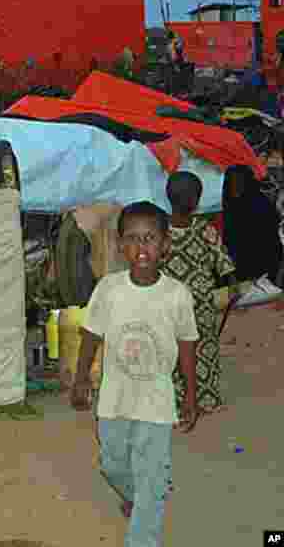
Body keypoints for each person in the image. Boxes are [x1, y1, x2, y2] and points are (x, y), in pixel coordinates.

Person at [72, 201, 199, 547]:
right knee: (113, 465)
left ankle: (144, 523)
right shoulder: (109, 290)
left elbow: (188, 345)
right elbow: (91, 335)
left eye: (150, 238)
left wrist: (190, 396)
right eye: (132, 239)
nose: (141, 247)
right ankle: (139, 497)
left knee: (153, 479)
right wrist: (81, 377)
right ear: (119, 244)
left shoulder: (177, 296)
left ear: (165, 245)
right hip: (114, 400)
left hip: (156, 404)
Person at [161, 171, 236, 415]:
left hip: (167, 305)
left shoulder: (158, 232)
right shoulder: (204, 229)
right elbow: (224, 262)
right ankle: (205, 400)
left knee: (169, 353)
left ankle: (174, 402)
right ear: (197, 200)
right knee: (204, 351)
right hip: (201, 304)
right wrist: (232, 286)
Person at [222, 165, 283, 284]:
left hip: (262, 263)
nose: (235, 187)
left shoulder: (259, 203)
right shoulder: (231, 203)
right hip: (241, 265)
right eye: (233, 183)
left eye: (239, 182)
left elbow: (269, 238)